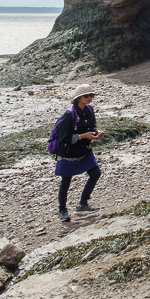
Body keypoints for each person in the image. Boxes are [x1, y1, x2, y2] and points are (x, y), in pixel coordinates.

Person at [54, 84, 105, 222]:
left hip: (84, 150)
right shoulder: (69, 114)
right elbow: (63, 138)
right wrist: (83, 136)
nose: (90, 98)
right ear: (78, 98)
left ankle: (83, 204)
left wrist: (96, 132)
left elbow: (92, 125)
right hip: (68, 153)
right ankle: (62, 210)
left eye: (91, 96)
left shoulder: (89, 109)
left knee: (95, 173)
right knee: (66, 181)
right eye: (86, 96)